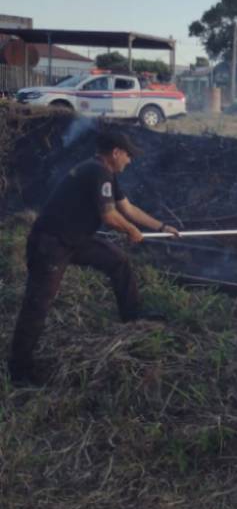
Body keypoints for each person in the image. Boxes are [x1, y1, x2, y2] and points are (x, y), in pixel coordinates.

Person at [7, 129, 180, 386]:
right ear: (116, 153)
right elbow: (110, 217)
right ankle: (19, 370)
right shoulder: (97, 172)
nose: (129, 161)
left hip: (75, 240)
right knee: (38, 304)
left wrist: (161, 227)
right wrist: (132, 231)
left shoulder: (105, 172)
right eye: (128, 156)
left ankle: (131, 314)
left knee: (118, 261)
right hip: (51, 244)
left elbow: (127, 208)